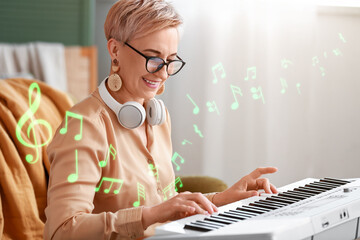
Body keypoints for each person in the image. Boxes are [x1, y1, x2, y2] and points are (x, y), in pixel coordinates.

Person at [44, 0, 278, 239]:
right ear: (115, 50)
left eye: (170, 61)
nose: (163, 72)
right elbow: (62, 231)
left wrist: (221, 199)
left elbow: (164, 208)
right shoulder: (84, 127)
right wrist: (148, 215)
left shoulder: (157, 116)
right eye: (152, 58)